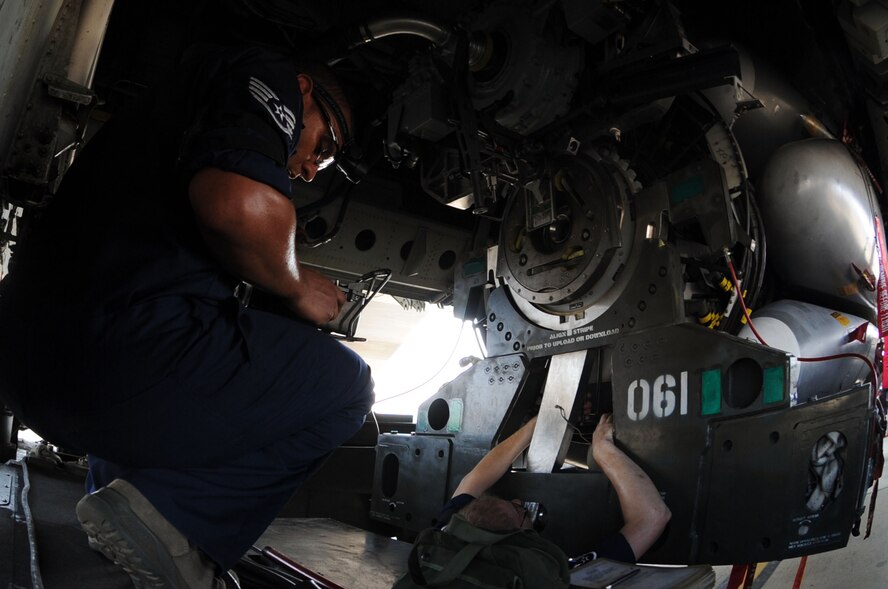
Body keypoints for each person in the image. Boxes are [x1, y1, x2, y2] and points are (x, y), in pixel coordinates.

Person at [0, 44, 373, 588]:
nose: (314, 168)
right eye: (325, 144)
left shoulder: (176, 121)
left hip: (27, 369)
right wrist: (297, 286)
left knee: (213, 323)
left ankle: (120, 505)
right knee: (349, 386)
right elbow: (236, 206)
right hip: (106, 359)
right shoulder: (262, 72)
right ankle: (174, 525)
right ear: (304, 92)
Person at [436, 413, 671, 564]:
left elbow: (474, 479)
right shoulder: (556, 578)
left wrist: (533, 427)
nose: (520, 502)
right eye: (520, 512)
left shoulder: (445, 534)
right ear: (521, 542)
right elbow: (654, 516)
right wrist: (603, 450)